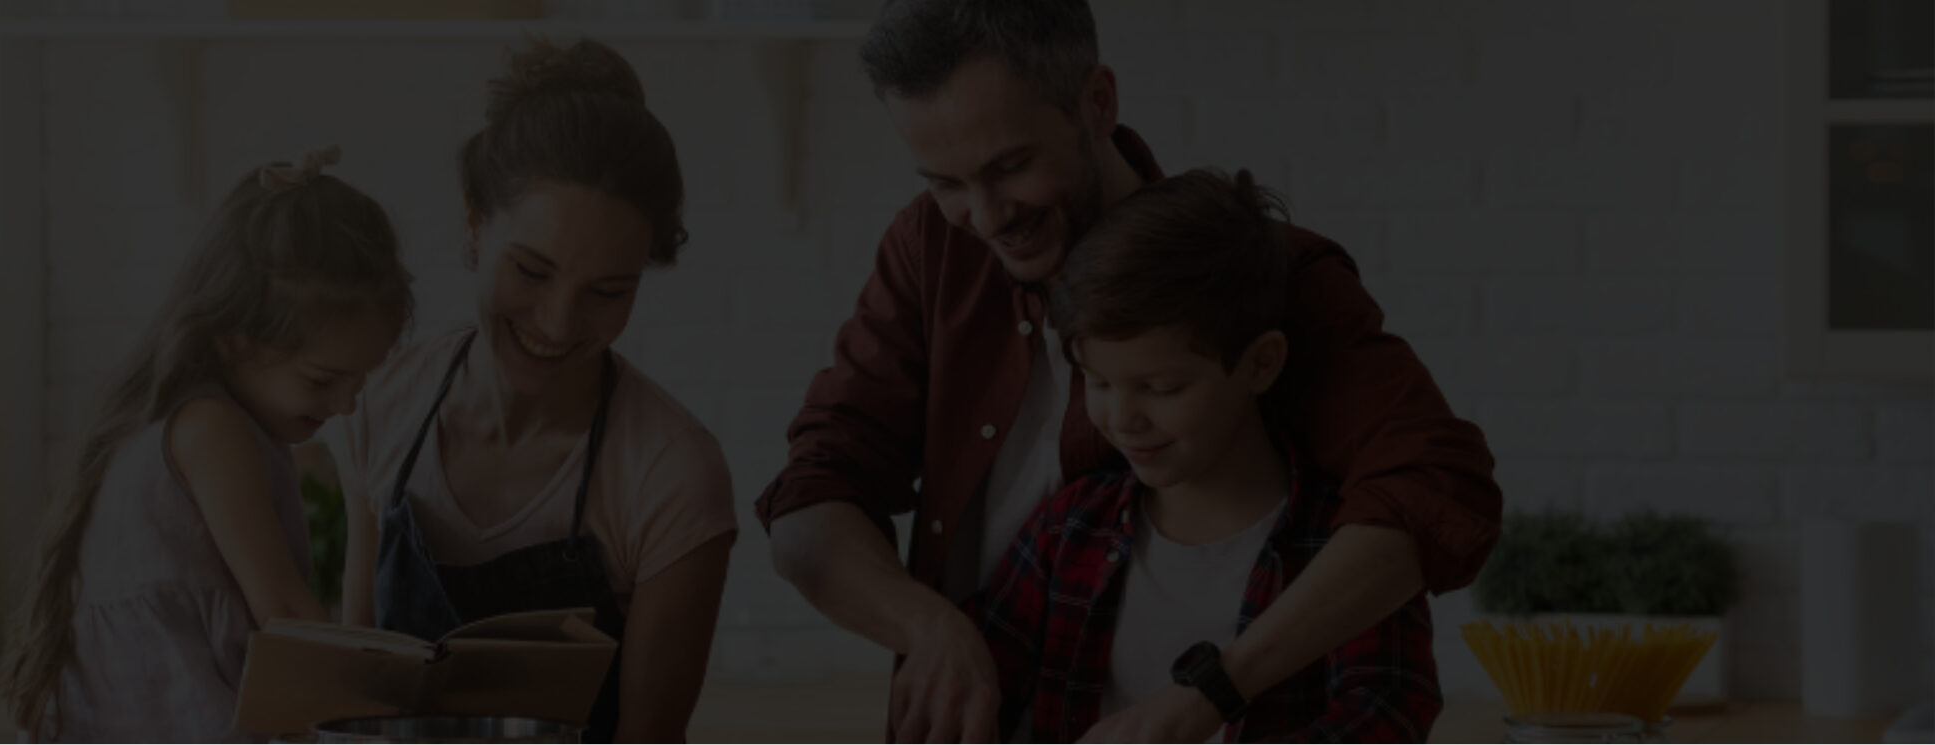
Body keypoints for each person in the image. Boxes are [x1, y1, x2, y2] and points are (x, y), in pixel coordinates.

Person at [753, 2, 1502, 741]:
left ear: (1099, 102)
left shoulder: (1258, 273)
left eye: (1010, 166)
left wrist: (1215, 688)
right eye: (944, 182)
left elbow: (1431, 485)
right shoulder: (931, 246)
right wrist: (930, 629)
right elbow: (812, 500)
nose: (982, 218)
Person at [321, 38, 737, 744]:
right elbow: (359, 699)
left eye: (608, 291)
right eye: (532, 271)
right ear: (475, 223)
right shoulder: (381, 405)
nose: (557, 324)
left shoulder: (671, 473)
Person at [974, 168, 1441, 742]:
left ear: (1262, 364)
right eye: (1096, 381)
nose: (1122, 419)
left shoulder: (1341, 549)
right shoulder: (1067, 531)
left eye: (1163, 388)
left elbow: (1388, 713)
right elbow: (979, 690)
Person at [0, 149, 416, 743]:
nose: (346, 405)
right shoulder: (211, 430)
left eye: (361, 381)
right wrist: (399, 697)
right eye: (323, 381)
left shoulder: (180, 423)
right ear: (234, 342)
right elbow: (286, 615)